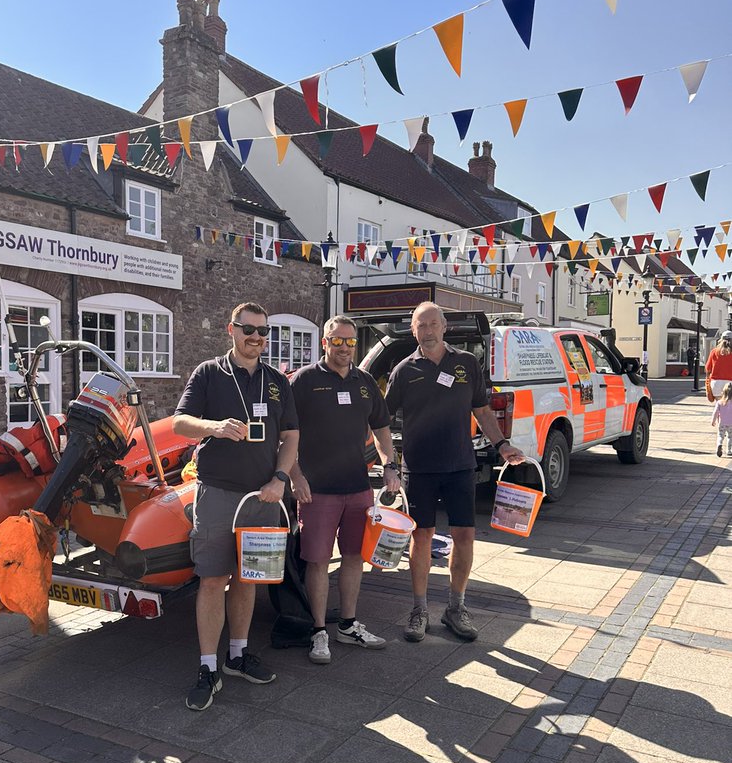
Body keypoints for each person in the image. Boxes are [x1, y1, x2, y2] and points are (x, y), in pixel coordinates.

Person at [174, 302, 298, 710]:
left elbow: (292, 437)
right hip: (217, 494)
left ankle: (237, 656)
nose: (257, 338)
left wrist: (280, 479)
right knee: (212, 580)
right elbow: (179, 423)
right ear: (232, 329)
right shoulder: (209, 373)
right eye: (249, 329)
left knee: (247, 580)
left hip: (262, 497)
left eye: (264, 332)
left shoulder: (277, 380)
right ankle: (207, 666)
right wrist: (215, 427)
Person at [384, 302, 524, 644]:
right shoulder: (403, 370)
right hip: (418, 468)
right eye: (421, 325)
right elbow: (381, 420)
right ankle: (420, 610)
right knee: (421, 538)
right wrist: (380, 460)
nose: (427, 330)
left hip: (460, 464)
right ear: (413, 330)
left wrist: (502, 444)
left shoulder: (466, 363)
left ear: (444, 327)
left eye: (433, 323)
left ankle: (455, 608)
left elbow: (482, 409)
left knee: (464, 537)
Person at [290, 315, 401, 664]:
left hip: (358, 488)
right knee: (318, 561)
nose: (343, 348)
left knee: (354, 557)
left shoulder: (365, 381)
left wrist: (390, 465)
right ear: (325, 342)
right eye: (337, 341)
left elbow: (382, 428)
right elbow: (285, 435)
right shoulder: (304, 381)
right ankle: (319, 631)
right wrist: (295, 475)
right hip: (317, 491)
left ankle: (348, 625)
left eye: (350, 342)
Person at [706, 331, 732, 401]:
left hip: (716, 384)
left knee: (719, 406)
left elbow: (708, 369)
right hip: (730, 383)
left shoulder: (714, 352)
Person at [711, 382, 732, 457]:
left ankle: (719, 445)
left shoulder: (720, 402)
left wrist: (713, 421)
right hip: (731, 424)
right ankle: (729, 450)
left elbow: (715, 412)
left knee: (720, 435)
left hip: (722, 423)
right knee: (730, 437)